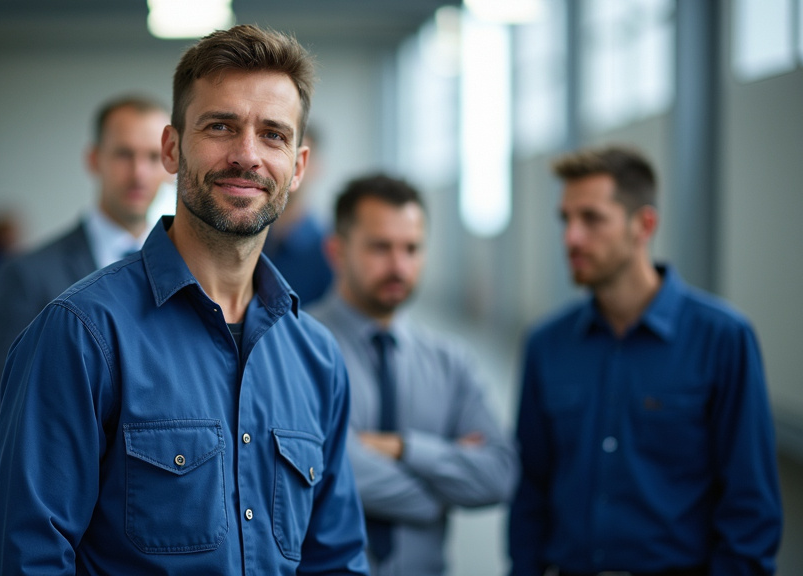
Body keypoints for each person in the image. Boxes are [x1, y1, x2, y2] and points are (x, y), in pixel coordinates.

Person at [0, 24, 370, 575]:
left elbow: (336, 560)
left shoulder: (317, 359)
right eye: (220, 126)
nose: (246, 155)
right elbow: (26, 561)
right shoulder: (82, 333)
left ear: (299, 167)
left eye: (273, 135)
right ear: (172, 147)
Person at [508, 145, 782, 575]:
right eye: (565, 219)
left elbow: (750, 508)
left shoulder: (723, 339)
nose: (571, 238)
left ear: (644, 224)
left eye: (591, 219)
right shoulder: (546, 345)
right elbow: (531, 493)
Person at [309, 174, 518, 576]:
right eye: (380, 248)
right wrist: (440, 490)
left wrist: (402, 448)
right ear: (336, 251)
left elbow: (499, 475)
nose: (399, 266)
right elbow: (320, 472)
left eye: (412, 249)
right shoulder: (295, 348)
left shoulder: (450, 361)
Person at [0, 94, 172, 497]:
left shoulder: (185, 277)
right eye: (123, 155)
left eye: (153, 157)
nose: (138, 173)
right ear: (93, 159)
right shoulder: (29, 276)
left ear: (171, 164)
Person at [262, 126, 333, 305]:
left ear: (315, 167)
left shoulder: (328, 251)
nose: (288, 171)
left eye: (297, 161)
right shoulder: (245, 236)